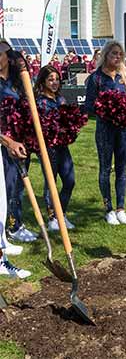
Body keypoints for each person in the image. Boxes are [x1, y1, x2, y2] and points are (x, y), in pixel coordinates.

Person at [85, 40, 126, 225]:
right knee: (105, 169)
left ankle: (121, 208)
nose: (117, 56)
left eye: (120, 54)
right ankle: (109, 209)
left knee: (121, 169)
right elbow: (89, 106)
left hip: (124, 130)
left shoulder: (124, 76)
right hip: (105, 129)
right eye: (114, 53)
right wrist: (105, 109)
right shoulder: (96, 78)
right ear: (106, 55)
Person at [0, 40, 34, 278]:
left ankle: (2, 246)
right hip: (5, 144)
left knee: (4, 199)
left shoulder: (14, 80)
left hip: (11, 143)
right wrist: (9, 142)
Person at [34, 65, 77, 231]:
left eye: (57, 79)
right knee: (50, 182)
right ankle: (52, 218)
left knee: (69, 180)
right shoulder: (39, 102)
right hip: (47, 148)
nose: (54, 82)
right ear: (43, 81)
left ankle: (61, 214)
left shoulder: (61, 99)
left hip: (62, 146)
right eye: (50, 79)